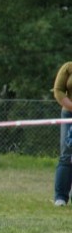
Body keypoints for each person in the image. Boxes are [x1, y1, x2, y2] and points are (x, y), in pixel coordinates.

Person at [52, 61, 72, 206]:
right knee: (66, 154)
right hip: (69, 114)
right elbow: (58, 91)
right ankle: (60, 197)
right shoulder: (68, 67)